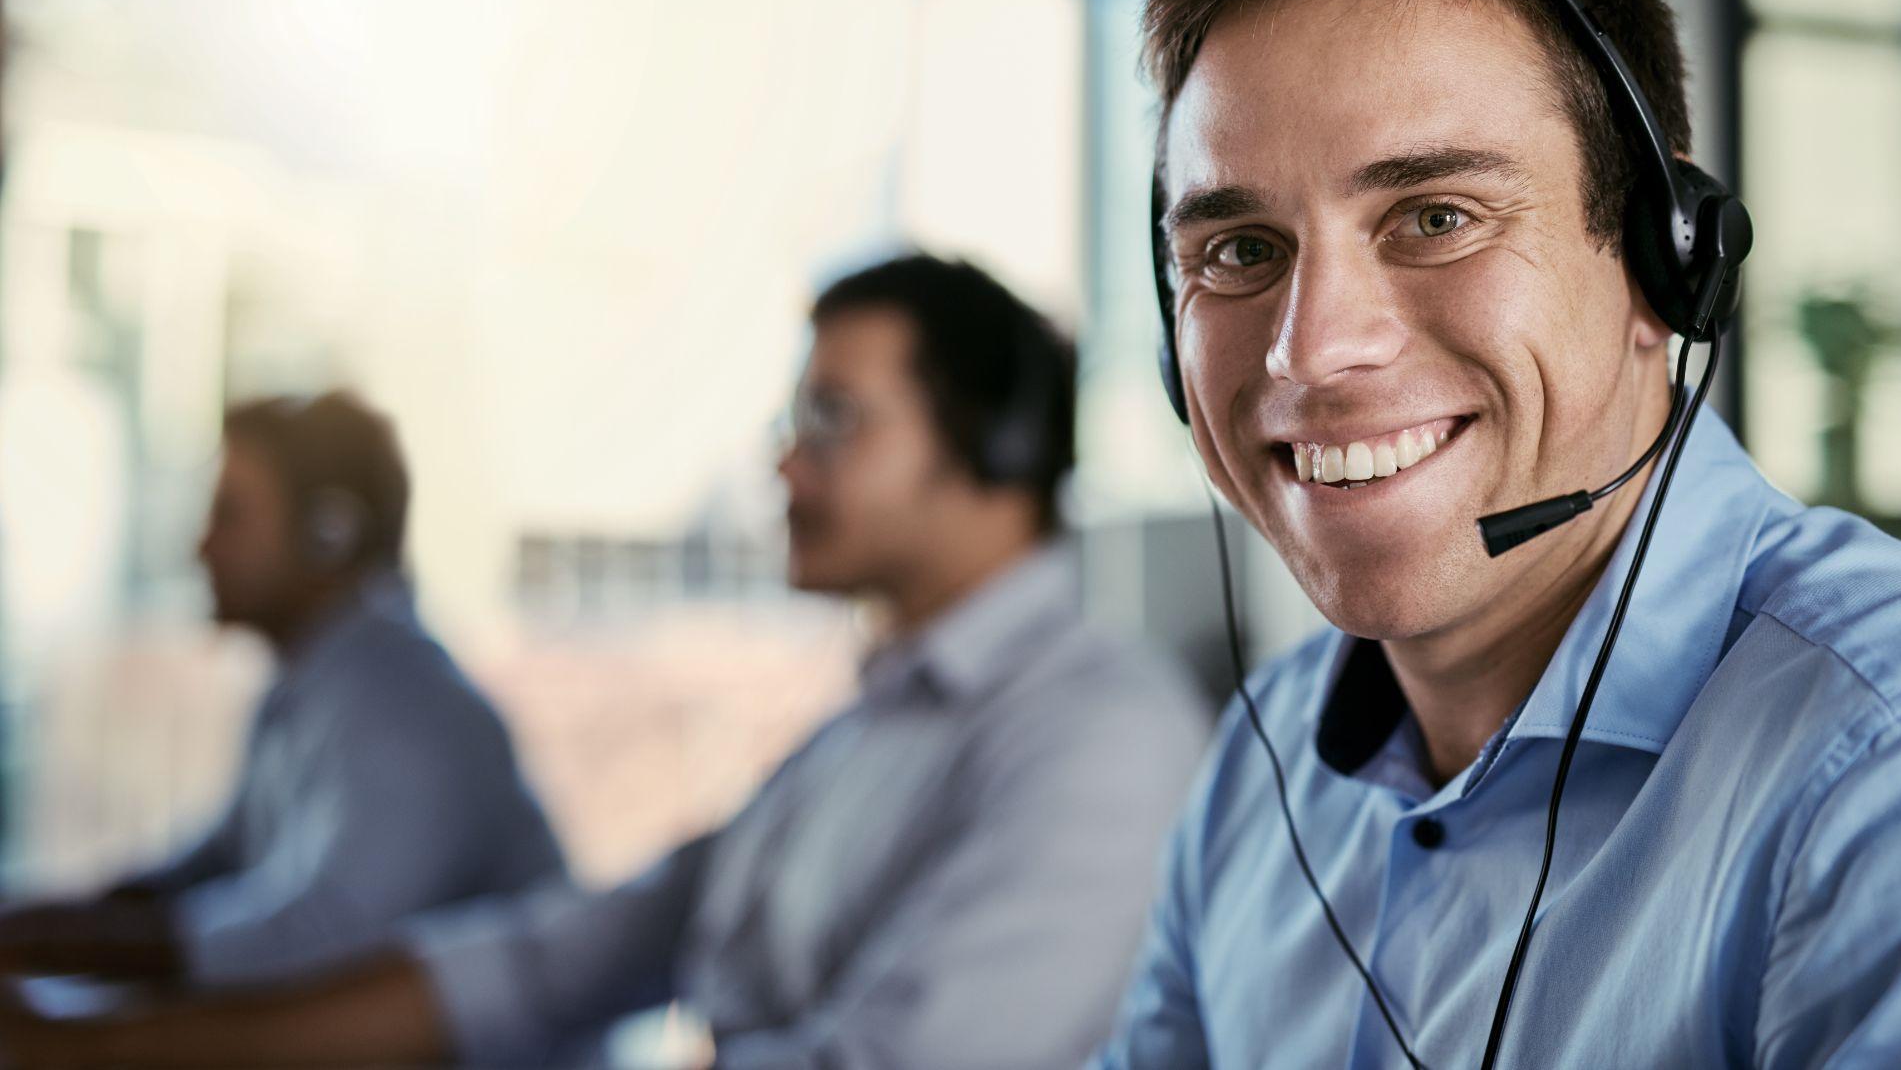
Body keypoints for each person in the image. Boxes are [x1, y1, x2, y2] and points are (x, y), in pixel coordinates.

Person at [1093, 0, 1901, 1068]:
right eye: (1236, 250)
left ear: (1665, 270)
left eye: (1434, 217)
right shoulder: (1264, 760)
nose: (1312, 348)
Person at [1, 254, 1210, 1069]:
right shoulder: (864, 729)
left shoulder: (1099, 735)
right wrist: (82, 1044)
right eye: (789, 428)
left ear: (993, 442)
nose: (784, 470)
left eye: (832, 423)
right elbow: (550, 957)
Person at [0, 392, 565, 992]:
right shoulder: (314, 684)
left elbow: (326, 949)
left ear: (329, 536)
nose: (201, 548)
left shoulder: (407, 709)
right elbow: (218, 861)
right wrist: (63, 921)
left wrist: (64, 945)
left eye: (229, 515)